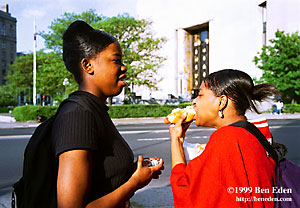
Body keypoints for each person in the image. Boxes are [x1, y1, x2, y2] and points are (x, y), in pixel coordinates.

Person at [52, 20, 164, 208]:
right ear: (88, 66)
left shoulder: (95, 109)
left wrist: (134, 173)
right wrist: (134, 183)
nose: (124, 67)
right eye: (116, 60)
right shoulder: (78, 115)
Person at [169, 69, 279, 208]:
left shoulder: (226, 138)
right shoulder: (250, 132)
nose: (194, 102)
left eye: (200, 95)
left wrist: (175, 141)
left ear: (222, 102)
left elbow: (186, 193)